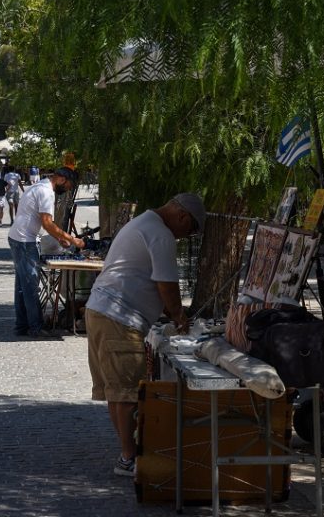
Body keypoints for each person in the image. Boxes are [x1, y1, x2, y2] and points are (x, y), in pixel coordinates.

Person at [84, 193, 205, 476]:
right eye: (188, 232)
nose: (183, 238)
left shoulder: (144, 222)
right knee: (126, 394)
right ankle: (129, 458)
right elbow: (167, 285)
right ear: (182, 217)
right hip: (119, 317)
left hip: (102, 311)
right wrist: (178, 316)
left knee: (117, 391)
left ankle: (129, 453)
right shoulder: (160, 234)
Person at [7, 167, 84, 338]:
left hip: (18, 238)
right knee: (31, 286)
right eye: (69, 185)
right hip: (24, 241)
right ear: (62, 179)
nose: (68, 189)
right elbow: (48, 223)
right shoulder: (46, 192)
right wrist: (72, 240)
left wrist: (59, 239)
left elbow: (44, 223)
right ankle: (35, 327)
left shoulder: (38, 186)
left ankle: (21, 326)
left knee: (22, 286)